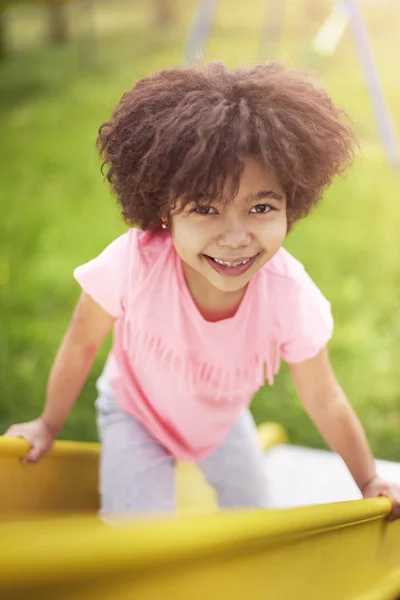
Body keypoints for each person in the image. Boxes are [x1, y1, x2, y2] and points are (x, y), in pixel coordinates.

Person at [5, 62, 400, 519]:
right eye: (206, 208)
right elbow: (82, 341)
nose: (235, 237)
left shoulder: (288, 295)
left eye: (260, 206)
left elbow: (324, 396)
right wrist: (48, 424)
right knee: (136, 531)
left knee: (254, 518)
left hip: (221, 420)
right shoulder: (134, 263)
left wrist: (368, 479)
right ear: (163, 209)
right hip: (136, 413)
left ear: (293, 203)